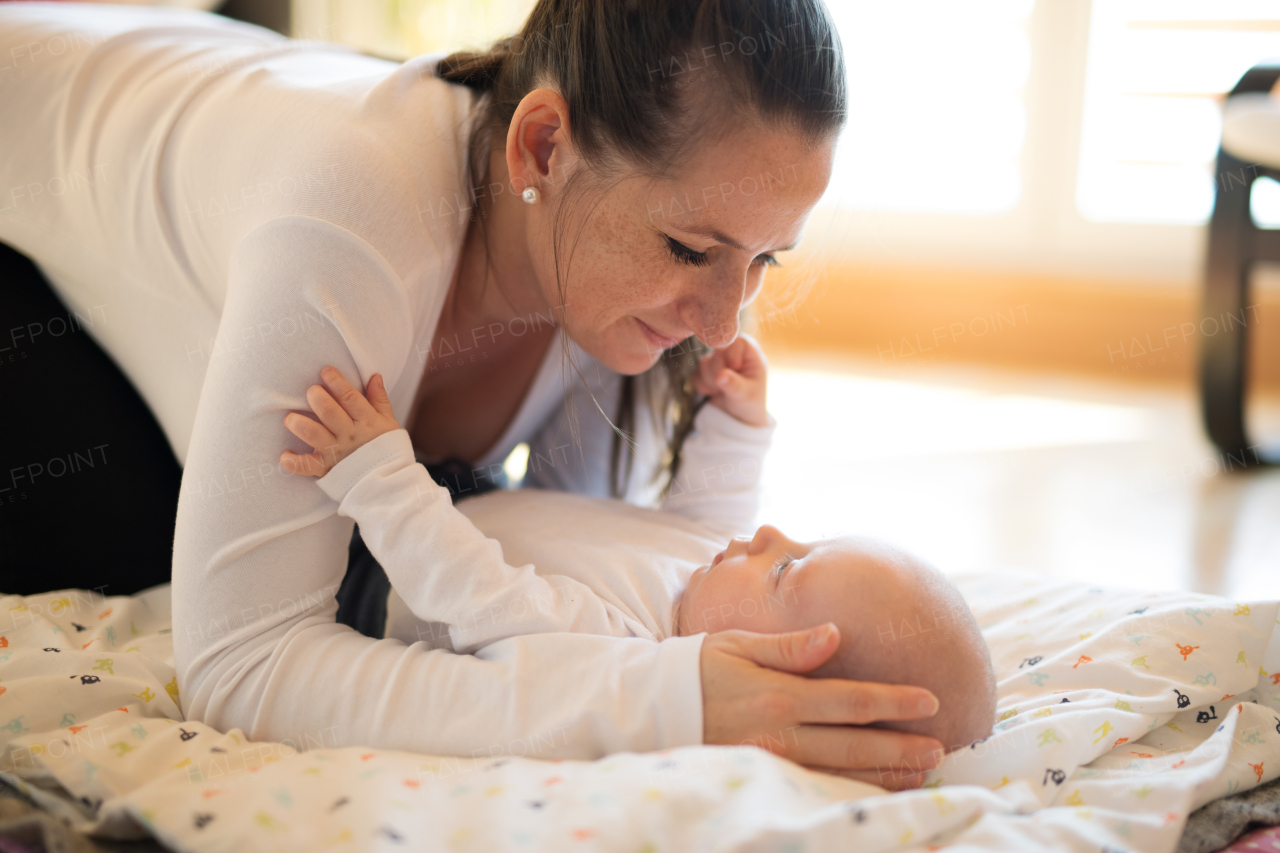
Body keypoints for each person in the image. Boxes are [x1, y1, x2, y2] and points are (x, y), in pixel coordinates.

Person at [0, 0, 946, 788]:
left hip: (253, 131)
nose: (724, 325)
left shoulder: (619, 255)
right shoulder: (350, 217)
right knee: (114, 535)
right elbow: (242, 664)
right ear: (541, 148)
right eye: (693, 252)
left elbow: (577, 580)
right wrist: (663, 704)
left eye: (764, 260)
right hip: (33, 140)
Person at [280, 360, 998, 757]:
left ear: (774, 670)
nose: (771, 534)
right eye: (806, 538)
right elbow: (711, 510)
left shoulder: (620, 652)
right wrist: (737, 423)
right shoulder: (708, 577)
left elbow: (474, 594)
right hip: (475, 490)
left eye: (788, 570)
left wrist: (379, 482)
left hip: (385, 563)